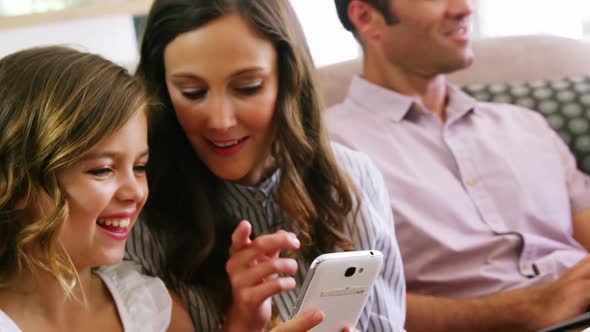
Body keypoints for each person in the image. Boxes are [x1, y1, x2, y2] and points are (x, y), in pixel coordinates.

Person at [124, 0, 406, 331]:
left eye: (247, 88)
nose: (221, 121)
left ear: (289, 79)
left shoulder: (353, 178)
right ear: (162, 92)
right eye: (193, 92)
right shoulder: (135, 212)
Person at [327, 0, 590, 331]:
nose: (465, 8)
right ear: (366, 17)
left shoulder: (526, 124)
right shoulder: (329, 150)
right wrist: (534, 307)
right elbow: (357, 303)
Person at [0, 46, 194, 331]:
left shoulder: (153, 310)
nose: (135, 192)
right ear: (17, 186)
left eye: (139, 167)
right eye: (103, 170)